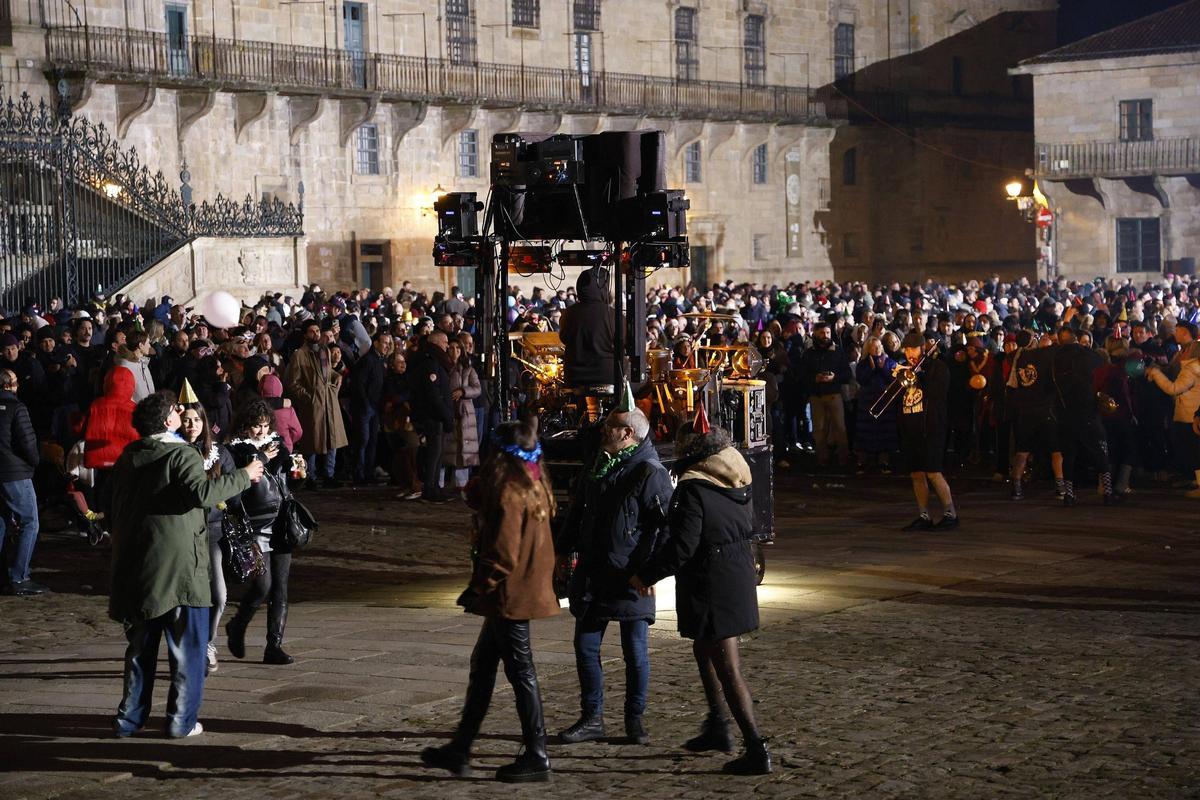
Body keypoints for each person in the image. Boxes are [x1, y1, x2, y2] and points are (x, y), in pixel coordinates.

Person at [109, 391, 262, 738]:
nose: (181, 413)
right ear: (167, 422)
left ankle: (128, 721)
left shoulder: (129, 455)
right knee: (187, 652)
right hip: (179, 569)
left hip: (138, 567)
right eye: (176, 411)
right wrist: (244, 475)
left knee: (139, 652)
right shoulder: (181, 454)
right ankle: (181, 721)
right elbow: (202, 494)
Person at [630, 410, 771, 775]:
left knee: (728, 667)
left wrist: (646, 574)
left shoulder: (695, 487)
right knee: (705, 648)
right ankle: (717, 725)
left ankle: (755, 747)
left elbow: (682, 546)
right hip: (734, 572)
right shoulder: (737, 475)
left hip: (713, 579)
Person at [421, 420, 558, 783]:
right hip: (517, 590)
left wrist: (481, 586)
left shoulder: (510, 491)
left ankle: (537, 753)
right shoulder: (534, 482)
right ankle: (460, 748)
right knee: (483, 666)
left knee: (521, 671)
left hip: (509, 593)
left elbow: (503, 553)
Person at [557, 404, 673, 746]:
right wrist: (563, 549)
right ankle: (592, 717)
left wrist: (649, 572)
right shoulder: (600, 462)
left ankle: (633, 719)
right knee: (585, 647)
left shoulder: (650, 472)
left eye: (612, 425)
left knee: (634, 651)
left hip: (630, 577)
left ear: (629, 434)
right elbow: (579, 509)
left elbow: (665, 528)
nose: (605, 429)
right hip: (595, 573)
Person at [223, 399, 301, 664]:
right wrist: (262, 457)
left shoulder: (277, 446)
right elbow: (235, 487)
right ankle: (238, 624)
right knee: (261, 584)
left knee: (280, 587)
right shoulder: (234, 451)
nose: (262, 431)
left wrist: (297, 472)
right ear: (246, 426)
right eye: (257, 426)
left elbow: (285, 482)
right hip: (254, 524)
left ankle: (274, 645)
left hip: (280, 522)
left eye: (266, 425)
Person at [177, 395, 236, 674]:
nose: (192, 425)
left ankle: (208, 642)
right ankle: (187, 648)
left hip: (211, 531)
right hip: (180, 534)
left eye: (197, 419)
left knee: (219, 595)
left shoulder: (219, 453)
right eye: (187, 419)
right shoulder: (172, 452)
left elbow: (235, 487)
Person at [894, 331, 959, 530]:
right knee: (916, 473)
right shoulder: (905, 369)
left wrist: (920, 376)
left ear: (922, 349)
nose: (908, 353)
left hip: (931, 428)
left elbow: (939, 394)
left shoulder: (938, 367)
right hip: (911, 428)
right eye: (906, 350)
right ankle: (924, 515)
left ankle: (950, 513)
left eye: (912, 349)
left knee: (933, 472)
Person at [284, 319, 348, 489]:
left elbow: (326, 373)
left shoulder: (324, 351)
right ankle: (309, 476)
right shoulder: (299, 355)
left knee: (331, 439)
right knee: (312, 441)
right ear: (305, 334)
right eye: (312, 331)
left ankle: (329, 474)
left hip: (329, 402)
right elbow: (292, 382)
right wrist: (308, 398)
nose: (316, 334)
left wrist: (335, 377)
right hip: (313, 404)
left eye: (318, 331)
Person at [0, 368, 45, 595]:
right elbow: (27, 442)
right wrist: (35, 461)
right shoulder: (17, 408)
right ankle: (19, 576)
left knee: (2, 523)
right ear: (9, 385)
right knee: (30, 522)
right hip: (16, 473)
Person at [1146, 333, 1200, 498]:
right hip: (1193, 412)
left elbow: (1173, 389)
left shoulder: (1191, 369)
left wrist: (1155, 374)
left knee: (1193, 450)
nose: (1180, 353)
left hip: (1189, 414)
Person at [409, 329, 455, 503]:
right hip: (432, 416)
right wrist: (445, 415)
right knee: (433, 454)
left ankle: (435, 486)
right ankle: (430, 489)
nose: (447, 346)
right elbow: (433, 394)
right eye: (444, 343)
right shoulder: (430, 362)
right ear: (436, 343)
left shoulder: (433, 360)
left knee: (438, 453)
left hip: (436, 416)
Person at [559, 268, 615, 389]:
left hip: (574, 378)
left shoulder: (568, 314)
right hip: (608, 376)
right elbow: (623, 343)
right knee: (644, 386)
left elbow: (564, 338)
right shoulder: (613, 315)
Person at [348, 332, 390, 485]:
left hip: (374, 407)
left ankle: (368, 473)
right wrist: (365, 404)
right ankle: (359, 474)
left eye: (388, 343)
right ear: (376, 343)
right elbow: (358, 384)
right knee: (363, 441)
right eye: (384, 342)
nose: (387, 346)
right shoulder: (368, 360)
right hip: (365, 408)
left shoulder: (379, 361)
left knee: (372, 440)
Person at [441, 338, 481, 492]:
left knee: (462, 448)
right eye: (451, 348)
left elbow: (477, 389)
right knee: (446, 448)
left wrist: (463, 391)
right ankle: (440, 483)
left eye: (458, 348)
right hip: (448, 409)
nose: (454, 351)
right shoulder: (443, 368)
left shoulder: (468, 369)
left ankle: (461, 484)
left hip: (464, 412)